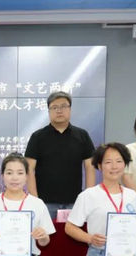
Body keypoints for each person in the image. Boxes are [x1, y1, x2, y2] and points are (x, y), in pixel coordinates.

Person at [25, 91, 96, 219]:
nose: (59, 110)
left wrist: (87, 197)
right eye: (54, 107)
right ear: (48, 111)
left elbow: (90, 166)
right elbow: (28, 169)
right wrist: (35, 200)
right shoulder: (37, 137)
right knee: (44, 233)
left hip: (75, 202)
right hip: (45, 203)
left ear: (70, 109)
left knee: (74, 232)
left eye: (63, 106)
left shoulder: (82, 135)